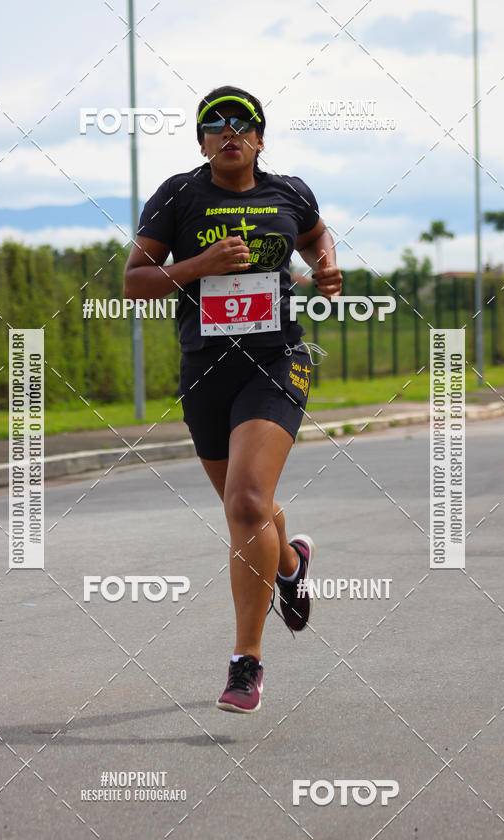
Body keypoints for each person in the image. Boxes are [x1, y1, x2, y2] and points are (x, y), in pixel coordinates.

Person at [123, 85, 342, 713]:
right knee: (251, 507)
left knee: (245, 501)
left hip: (277, 361)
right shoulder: (178, 195)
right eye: (214, 125)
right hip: (206, 370)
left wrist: (327, 269)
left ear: (260, 139)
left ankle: (246, 663)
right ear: (202, 143)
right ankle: (290, 564)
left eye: (242, 124)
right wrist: (199, 265)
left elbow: (318, 237)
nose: (229, 132)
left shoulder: (290, 193)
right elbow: (135, 282)